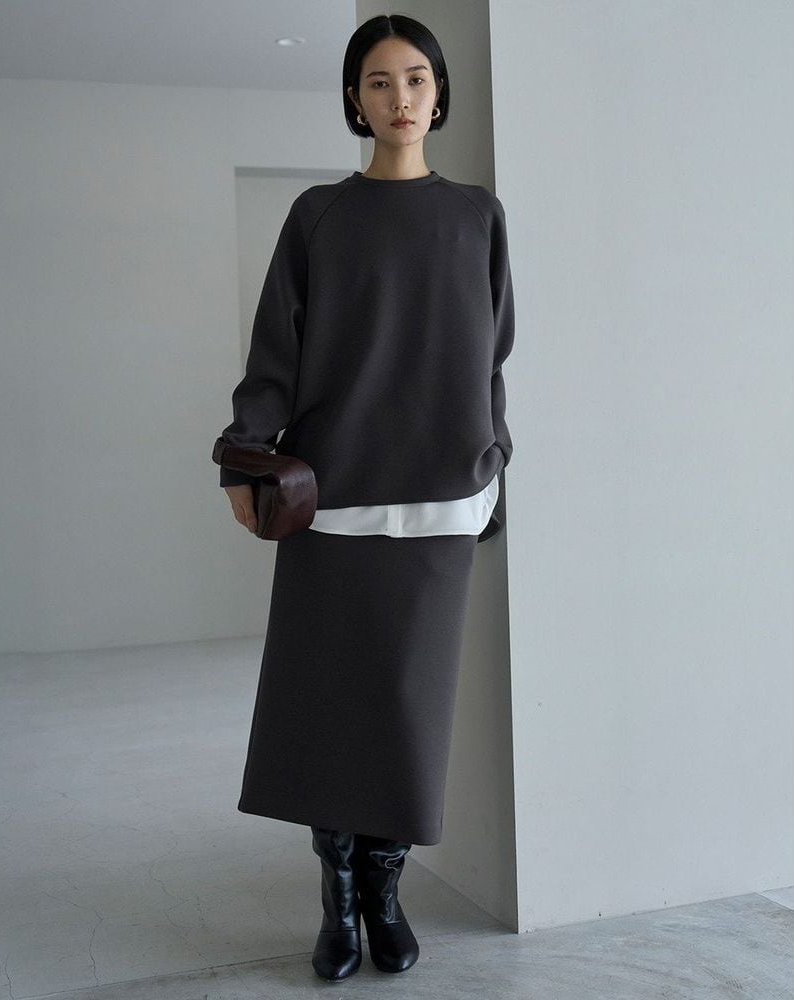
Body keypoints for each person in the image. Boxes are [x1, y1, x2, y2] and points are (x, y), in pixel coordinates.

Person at [217, 13, 515, 982]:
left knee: (408, 715)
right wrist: (245, 455)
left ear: (439, 93)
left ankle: (384, 895)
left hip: (442, 502)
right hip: (334, 500)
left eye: (416, 79)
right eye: (379, 82)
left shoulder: (476, 216)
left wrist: (494, 458)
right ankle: (337, 902)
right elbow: (277, 348)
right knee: (329, 709)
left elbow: (492, 354)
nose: (399, 98)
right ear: (354, 98)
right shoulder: (319, 215)